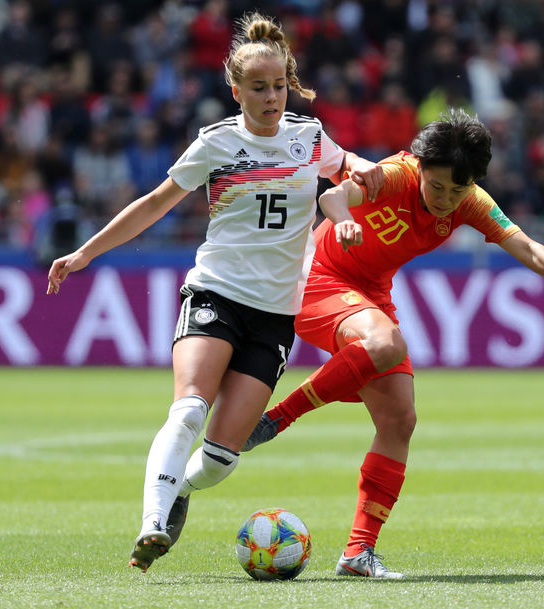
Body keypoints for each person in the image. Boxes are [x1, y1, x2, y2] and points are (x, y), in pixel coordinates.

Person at [46, 12, 383, 573]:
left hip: (276, 314)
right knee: (189, 410)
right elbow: (154, 204)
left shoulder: (309, 137)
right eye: (259, 87)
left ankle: (178, 491)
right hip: (217, 292)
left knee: (224, 457)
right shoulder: (216, 144)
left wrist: (365, 166)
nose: (272, 96)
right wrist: (86, 252)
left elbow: (348, 164)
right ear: (236, 90)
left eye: (279, 85)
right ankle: (152, 522)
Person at [242, 108, 544, 578]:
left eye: (457, 191)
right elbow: (335, 196)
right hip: (319, 279)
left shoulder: (470, 200)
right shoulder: (396, 175)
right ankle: (274, 420)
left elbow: (526, 245)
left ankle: (358, 553)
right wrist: (345, 220)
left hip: (371, 293)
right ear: (421, 169)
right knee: (387, 343)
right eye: (436, 187)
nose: (445, 200)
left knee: (399, 419)